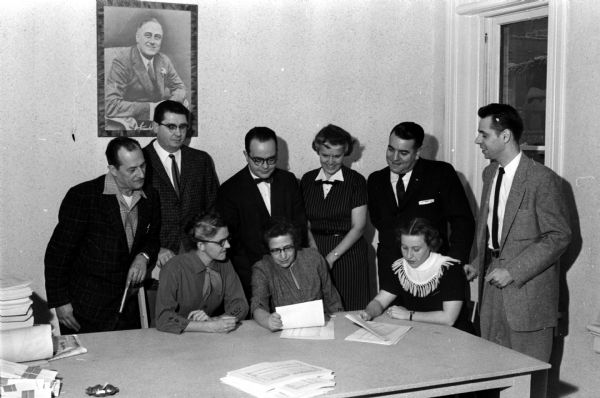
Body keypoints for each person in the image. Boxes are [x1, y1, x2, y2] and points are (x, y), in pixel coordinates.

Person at [465, 103, 571, 361]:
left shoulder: (541, 179)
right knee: (491, 367)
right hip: (491, 287)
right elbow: (489, 223)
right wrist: (477, 262)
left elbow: (558, 236)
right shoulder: (490, 172)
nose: (477, 139)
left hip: (528, 293)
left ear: (505, 136)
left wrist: (513, 271)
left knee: (527, 375)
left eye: (484, 134)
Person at [44, 137, 161, 334]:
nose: (141, 174)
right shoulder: (83, 196)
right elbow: (58, 254)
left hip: (127, 310)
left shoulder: (151, 196)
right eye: (132, 170)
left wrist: (143, 257)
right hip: (85, 310)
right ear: (113, 170)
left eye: (143, 166)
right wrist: (61, 302)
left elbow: (152, 238)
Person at [367, 122, 474, 302]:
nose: (394, 158)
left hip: (433, 273)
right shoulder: (375, 180)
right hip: (392, 274)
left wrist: (453, 265)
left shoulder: (441, 174)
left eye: (403, 152)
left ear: (417, 153)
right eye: (390, 149)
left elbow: (463, 222)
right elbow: (380, 223)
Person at [217, 127, 308, 302]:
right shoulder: (229, 190)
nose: (265, 166)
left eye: (271, 159)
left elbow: (299, 226)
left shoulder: (289, 181)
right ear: (246, 155)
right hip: (250, 276)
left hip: (291, 270)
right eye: (258, 160)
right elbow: (233, 242)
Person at [300, 124, 370, 310]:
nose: (330, 161)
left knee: (350, 309)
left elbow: (359, 227)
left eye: (337, 156)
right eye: (325, 155)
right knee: (319, 311)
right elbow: (304, 222)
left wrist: (331, 258)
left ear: (345, 153)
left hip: (349, 254)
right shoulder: (307, 180)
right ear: (318, 151)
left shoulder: (356, 181)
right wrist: (315, 253)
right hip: (315, 249)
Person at [359, 218, 471, 332]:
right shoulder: (400, 268)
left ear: (430, 245)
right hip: (420, 331)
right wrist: (369, 312)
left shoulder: (449, 268)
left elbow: (448, 319)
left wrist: (409, 315)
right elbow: (380, 301)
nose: (408, 255)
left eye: (416, 249)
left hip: (455, 334)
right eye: (404, 248)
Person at [143, 100, 219, 268]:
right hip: (158, 257)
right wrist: (154, 249)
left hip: (197, 252)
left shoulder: (201, 160)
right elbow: (132, 218)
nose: (178, 133)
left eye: (183, 127)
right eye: (171, 126)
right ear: (155, 127)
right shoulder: (140, 161)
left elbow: (213, 206)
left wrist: (206, 242)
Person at [155, 211, 248, 334]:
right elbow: (163, 318)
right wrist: (208, 326)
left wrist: (217, 320)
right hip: (170, 337)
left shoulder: (225, 264)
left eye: (227, 239)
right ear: (201, 245)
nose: (228, 245)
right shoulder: (173, 268)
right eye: (221, 242)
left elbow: (240, 304)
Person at [251, 220, 344, 331]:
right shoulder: (262, 268)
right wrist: (267, 320)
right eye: (276, 250)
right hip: (285, 329)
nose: (283, 256)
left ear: (295, 244)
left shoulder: (314, 258)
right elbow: (258, 304)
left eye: (288, 248)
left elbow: (332, 297)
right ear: (268, 250)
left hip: (322, 326)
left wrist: (340, 321)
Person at [105, 17, 187, 130]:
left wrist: (169, 105)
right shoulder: (123, 60)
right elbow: (111, 105)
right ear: (137, 37)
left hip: (160, 121)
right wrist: (152, 108)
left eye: (157, 37)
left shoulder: (163, 60)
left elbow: (180, 87)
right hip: (133, 123)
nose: (153, 41)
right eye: (148, 35)